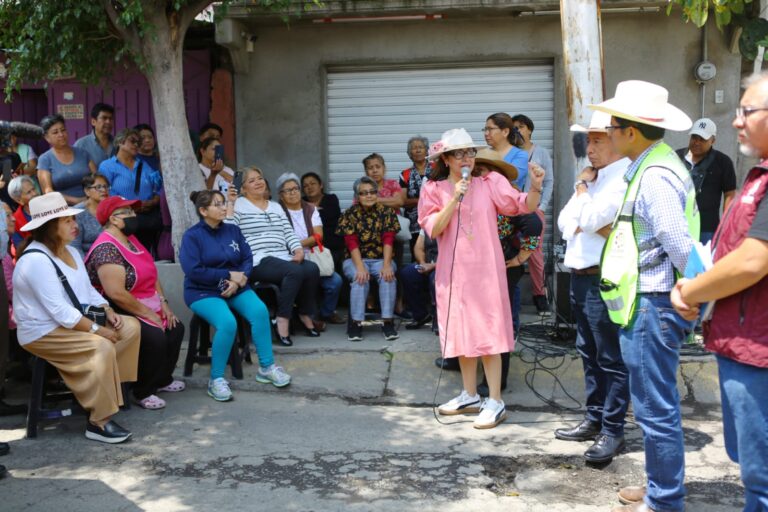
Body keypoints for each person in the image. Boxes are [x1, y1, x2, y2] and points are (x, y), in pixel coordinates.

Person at [590, 81, 699, 512]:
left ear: (630, 132)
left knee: (655, 409)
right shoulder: (654, 165)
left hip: (653, 305)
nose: (607, 135)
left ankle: (665, 500)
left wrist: (695, 291)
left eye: (611, 128)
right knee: (654, 406)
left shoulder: (654, 176)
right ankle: (660, 486)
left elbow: (677, 241)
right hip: (650, 304)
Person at [671, 72, 768, 512]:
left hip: (757, 349)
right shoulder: (759, 174)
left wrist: (692, 290)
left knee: (762, 479)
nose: (736, 121)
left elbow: (752, 260)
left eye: (748, 111)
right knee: (750, 465)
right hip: (740, 342)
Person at [418, 128, 543, 429]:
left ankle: (495, 400)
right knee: (461, 332)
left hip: (486, 271)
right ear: (446, 159)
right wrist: (454, 199)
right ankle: (470, 394)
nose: (467, 158)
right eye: (459, 153)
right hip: (453, 272)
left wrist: (536, 188)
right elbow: (433, 228)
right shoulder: (433, 189)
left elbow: (521, 205)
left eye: (470, 152)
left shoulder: (490, 182)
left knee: (489, 332)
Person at [13, 192, 141, 443]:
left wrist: (107, 309)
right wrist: (98, 329)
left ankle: (110, 391)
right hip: (43, 331)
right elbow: (59, 311)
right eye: (67, 221)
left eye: (73, 219)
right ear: (49, 227)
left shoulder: (70, 251)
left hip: (70, 322)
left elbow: (86, 290)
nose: (75, 225)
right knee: (101, 345)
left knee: (130, 327)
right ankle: (99, 421)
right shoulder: (36, 261)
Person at [554, 110, 631, 464]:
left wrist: (583, 193)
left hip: (605, 278)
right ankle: (594, 417)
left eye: (598, 140)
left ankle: (613, 429)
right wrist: (585, 206)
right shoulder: (593, 178)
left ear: (616, 140)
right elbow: (564, 222)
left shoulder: (620, 179)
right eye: (589, 140)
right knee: (588, 352)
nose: (590, 148)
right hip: (580, 276)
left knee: (610, 357)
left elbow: (588, 219)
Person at [180, 189, 291, 401]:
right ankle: (216, 380)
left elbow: (247, 258)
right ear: (203, 211)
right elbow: (194, 271)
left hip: (235, 286)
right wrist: (228, 275)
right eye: (218, 204)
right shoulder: (192, 236)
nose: (224, 207)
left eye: (224, 203)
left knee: (259, 311)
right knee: (227, 322)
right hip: (202, 291)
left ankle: (266, 368)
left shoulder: (233, 230)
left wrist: (237, 280)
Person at [84, 196, 185, 410]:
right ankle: (142, 391)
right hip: (117, 307)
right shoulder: (106, 248)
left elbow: (151, 273)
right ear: (113, 219)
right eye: (128, 212)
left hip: (147, 300)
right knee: (155, 337)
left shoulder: (131, 239)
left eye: (133, 211)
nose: (134, 216)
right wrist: (149, 314)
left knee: (176, 328)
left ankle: (162, 379)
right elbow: (116, 293)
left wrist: (163, 303)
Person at [472, 149, 542, 398]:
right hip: (477, 268)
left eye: (481, 171)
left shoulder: (505, 198)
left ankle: (496, 381)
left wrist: (521, 257)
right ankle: (460, 363)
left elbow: (533, 224)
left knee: (497, 324)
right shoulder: (472, 194)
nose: (477, 176)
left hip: (501, 268)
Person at [230, 166, 321, 346]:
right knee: (294, 272)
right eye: (252, 180)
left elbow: (288, 232)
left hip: (281, 256)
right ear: (243, 188)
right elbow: (229, 230)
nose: (258, 182)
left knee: (311, 269)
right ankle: (282, 318)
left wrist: (298, 249)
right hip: (257, 258)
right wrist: (230, 204)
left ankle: (304, 312)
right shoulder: (238, 205)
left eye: (260, 178)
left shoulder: (275, 206)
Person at [277, 173, 345, 330]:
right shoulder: (276, 211)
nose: (293, 193)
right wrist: (297, 247)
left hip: (312, 255)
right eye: (288, 190)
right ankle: (309, 317)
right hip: (289, 257)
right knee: (306, 277)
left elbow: (318, 236)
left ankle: (326, 312)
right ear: (281, 195)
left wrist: (296, 244)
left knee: (335, 282)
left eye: (295, 188)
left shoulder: (310, 209)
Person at [337, 176, 400, 342]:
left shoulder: (387, 212)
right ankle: (356, 323)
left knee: (388, 277)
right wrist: (360, 267)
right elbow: (351, 243)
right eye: (364, 193)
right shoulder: (349, 214)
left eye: (372, 192)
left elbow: (388, 240)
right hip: (355, 259)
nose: (369, 195)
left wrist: (387, 265)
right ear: (357, 196)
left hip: (381, 258)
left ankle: (387, 322)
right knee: (360, 278)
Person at [512, 114, 554, 314]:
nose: (517, 131)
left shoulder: (541, 152)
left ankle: (539, 294)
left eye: (521, 127)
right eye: (514, 127)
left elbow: (549, 181)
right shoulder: (510, 152)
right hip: (511, 209)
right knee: (510, 248)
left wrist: (542, 206)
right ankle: (510, 293)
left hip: (534, 209)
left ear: (529, 129)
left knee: (534, 253)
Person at [98, 128, 163, 255]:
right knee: (126, 252)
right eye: (132, 141)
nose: (136, 145)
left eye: (138, 142)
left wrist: (154, 201)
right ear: (120, 142)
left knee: (144, 252)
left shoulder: (144, 165)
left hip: (147, 218)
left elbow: (158, 186)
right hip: (123, 218)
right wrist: (130, 206)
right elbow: (104, 193)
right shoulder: (107, 166)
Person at [675, 118, 736, 244]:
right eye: (694, 137)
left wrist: (726, 224)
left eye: (702, 139)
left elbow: (729, 194)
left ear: (713, 140)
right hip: (677, 225)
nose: (697, 142)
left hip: (707, 228)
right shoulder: (676, 157)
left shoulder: (723, 162)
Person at [37, 114, 97, 205]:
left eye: (63, 130)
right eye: (55, 132)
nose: (61, 135)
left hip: (91, 204)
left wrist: (91, 199)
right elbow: (48, 191)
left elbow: (97, 179)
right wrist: (78, 201)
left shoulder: (83, 153)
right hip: (64, 208)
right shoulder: (45, 159)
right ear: (47, 137)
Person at [301, 172, 345, 275]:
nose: (309, 187)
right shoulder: (301, 202)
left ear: (321, 185)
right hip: (310, 245)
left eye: (313, 183)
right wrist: (318, 209)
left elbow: (329, 216)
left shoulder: (331, 199)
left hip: (332, 243)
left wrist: (310, 210)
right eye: (306, 186)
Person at [399, 136, 433, 253]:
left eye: (421, 147)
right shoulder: (405, 174)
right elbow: (403, 201)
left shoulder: (437, 169)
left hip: (435, 219)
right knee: (417, 253)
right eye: (414, 148)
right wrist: (424, 200)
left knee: (436, 252)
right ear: (409, 153)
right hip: (414, 222)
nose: (418, 150)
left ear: (427, 150)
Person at [399, 230, 438, 330]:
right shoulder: (427, 225)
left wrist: (433, 266)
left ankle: (439, 318)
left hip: (445, 267)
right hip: (427, 264)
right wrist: (422, 263)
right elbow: (418, 247)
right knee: (408, 273)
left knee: (434, 279)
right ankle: (420, 315)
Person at [72, 174, 110, 255]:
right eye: (98, 187)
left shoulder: (113, 208)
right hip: (89, 258)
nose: (104, 190)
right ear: (87, 191)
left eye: (105, 186)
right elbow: (75, 247)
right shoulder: (77, 213)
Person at [74, 103, 115, 167]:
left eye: (111, 118)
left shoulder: (118, 143)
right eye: (104, 118)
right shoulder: (81, 145)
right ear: (93, 122)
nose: (108, 122)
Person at [7, 175, 38, 249]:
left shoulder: (49, 205)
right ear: (19, 200)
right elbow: (21, 248)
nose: (34, 193)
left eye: (33, 189)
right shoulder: (15, 222)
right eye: (29, 192)